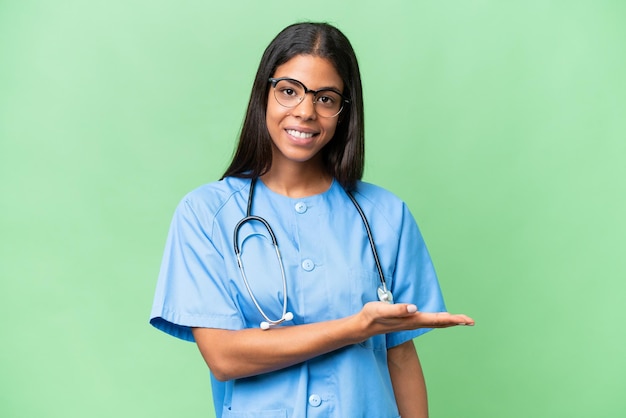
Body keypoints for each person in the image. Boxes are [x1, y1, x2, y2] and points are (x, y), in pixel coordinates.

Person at [150, 22, 474, 418]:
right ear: (263, 95)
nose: (305, 111)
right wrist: (357, 328)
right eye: (289, 91)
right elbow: (224, 357)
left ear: (343, 111)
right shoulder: (206, 214)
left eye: (325, 98)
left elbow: (401, 356)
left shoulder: (386, 215)